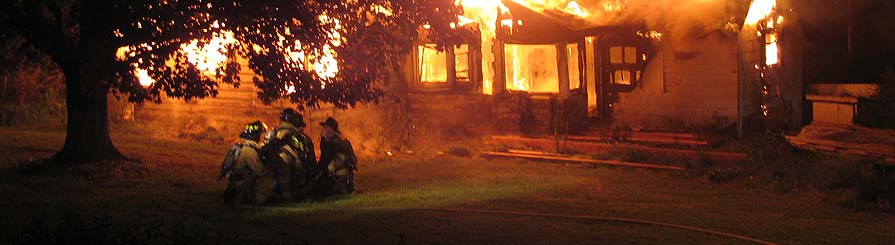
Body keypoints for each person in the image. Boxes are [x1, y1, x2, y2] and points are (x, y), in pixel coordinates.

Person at [261, 108, 316, 201]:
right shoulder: (302, 137)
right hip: (296, 177)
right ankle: (287, 196)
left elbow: (264, 149)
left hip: (272, 177)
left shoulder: (272, 133)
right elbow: (310, 160)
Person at [221, 121, 276, 207]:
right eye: (262, 133)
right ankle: (258, 199)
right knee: (269, 177)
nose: (263, 136)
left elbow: (259, 148)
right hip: (241, 186)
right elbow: (261, 171)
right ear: (257, 135)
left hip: (237, 184)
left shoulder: (246, 147)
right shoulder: (250, 152)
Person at [315, 117, 357, 196]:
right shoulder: (337, 141)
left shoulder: (334, 143)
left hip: (337, 177)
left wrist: (323, 171)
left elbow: (329, 161)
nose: (323, 130)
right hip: (341, 176)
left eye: (325, 127)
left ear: (330, 129)